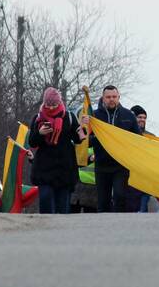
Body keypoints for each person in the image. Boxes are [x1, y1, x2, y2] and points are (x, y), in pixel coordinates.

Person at [28, 87, 85, 214]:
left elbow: (78, 139)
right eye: (49, 104)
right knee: (45, 198)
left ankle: (60, 232)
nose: (52, 107)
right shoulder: (38, 118)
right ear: (44, 102)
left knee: (62, 207)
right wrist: (40, 133)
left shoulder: (69, 117)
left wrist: (83, 131)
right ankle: (45, 227)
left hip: (65, 168)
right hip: (44, 168)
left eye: (55, 104)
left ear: (60, 102)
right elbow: (32, 142)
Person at [90, 85, 142, 213]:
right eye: (108, 97)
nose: (111, 99)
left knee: (120, 196)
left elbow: (138, 140)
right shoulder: (94, 116)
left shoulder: (129, 116)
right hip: (101, 164)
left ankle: (119, 226)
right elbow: (86, 141)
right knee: (103, 201)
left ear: (119, 97)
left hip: (121, 164)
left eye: (114, 97)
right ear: (103, 98)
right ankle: (102, 230)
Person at [124, 104, 151, 212]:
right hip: (128, 180)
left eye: (144, 118)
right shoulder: (124, 134)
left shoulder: (151, 137)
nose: (142, 120)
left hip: (145, 180)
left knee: (142, 213)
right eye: (140, 117)